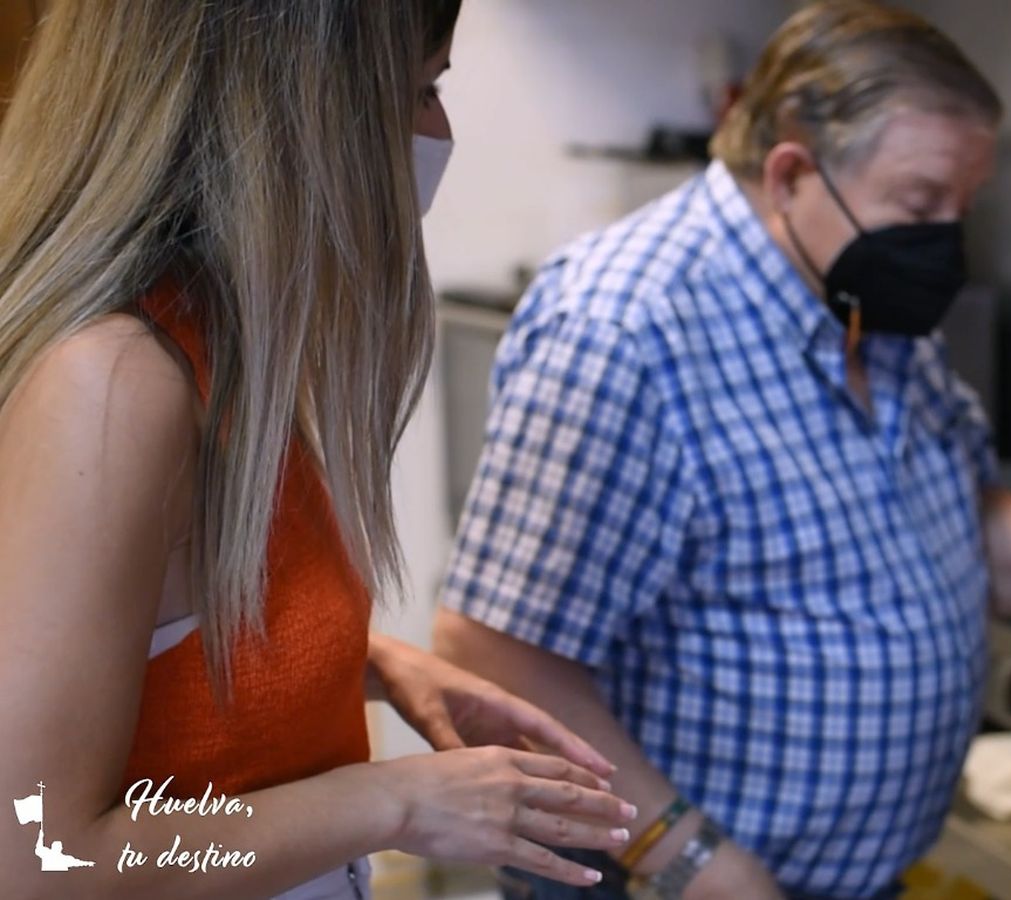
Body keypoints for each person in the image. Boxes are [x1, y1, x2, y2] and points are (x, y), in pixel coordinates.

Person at [433, 2, 1011, 898]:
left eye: (963, 207)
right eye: (920, 203)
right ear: (791, 174)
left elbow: (939, 511)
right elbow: (494, 654)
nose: (945, 239)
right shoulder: (624, 329)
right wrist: (695, 860)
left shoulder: (859, 290)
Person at [0, 3, 637, 898]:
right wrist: (398, 804)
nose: (437, 130)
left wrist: (371, 663)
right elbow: (37, 863)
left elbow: (160, 647)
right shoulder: (114, 383)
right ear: (299, 113)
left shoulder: (223, 339)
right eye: (423, 89)